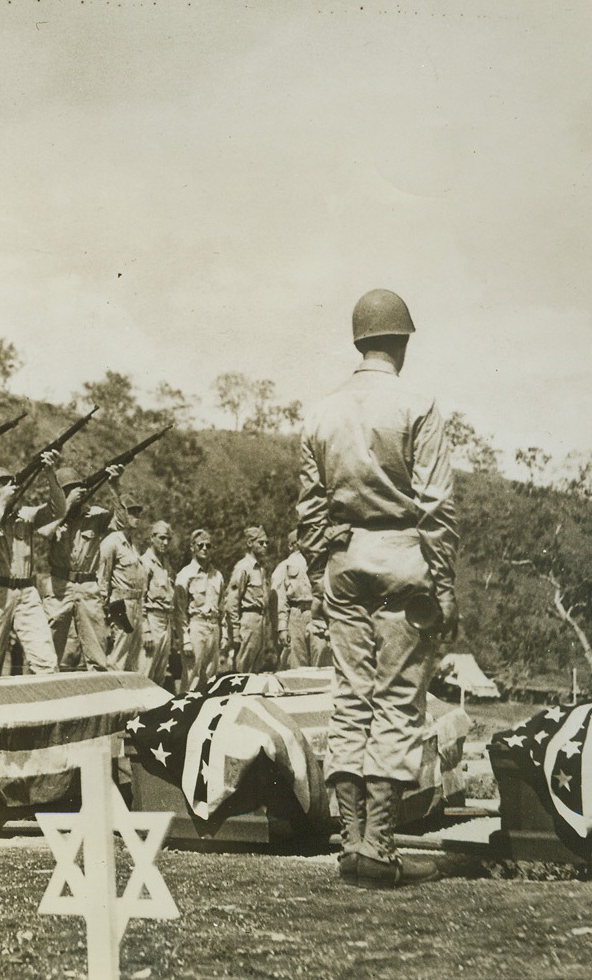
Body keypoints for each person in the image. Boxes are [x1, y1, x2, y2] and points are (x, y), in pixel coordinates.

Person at [297, 288, 459, 889]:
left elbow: (309, 504)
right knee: (396, 699)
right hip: (405, 555)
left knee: (350, 696)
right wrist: (444, 584)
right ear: (402, 341)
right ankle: (379, 846)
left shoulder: (321, 410)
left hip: (345, 557)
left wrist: (324, 562)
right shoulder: (419, 403)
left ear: (360, 340)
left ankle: (350, 841)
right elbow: (437, 506)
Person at [0, 455, 64, 677]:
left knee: (46, 660)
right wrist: (1, 504)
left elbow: (58, 510)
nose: (12, 487)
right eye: (4, 484)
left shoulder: (25, 515)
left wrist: (49, 473)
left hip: (27, 593)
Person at [41, 465, 123, 671]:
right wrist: (65, 506)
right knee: (47, 652)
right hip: (59, 586)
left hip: (88, 586)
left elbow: (123, 522)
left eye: (77, 488)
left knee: (97, 652)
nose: (75, 493)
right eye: (68, 490)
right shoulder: (49, 515)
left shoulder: (95, 515)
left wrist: (114, 486)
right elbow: (45, 533)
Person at [98, 495, 146, 672]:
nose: (136, 516)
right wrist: (103, 614)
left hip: (136, 604)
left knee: (133, 661)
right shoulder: (112, 542)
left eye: (138, 512)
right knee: (117, 657)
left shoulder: (133, 545)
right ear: (121, 514)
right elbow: (102, 578)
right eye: (131, 511)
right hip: (120, 604)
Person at [173, 529, 225, 693]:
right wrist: (185, 639)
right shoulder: (185, 575)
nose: (204, 548)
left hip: (213, 627)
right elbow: (179, 611)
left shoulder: (217, 576)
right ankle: (184, 714)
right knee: (191, 675)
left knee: (211, 677)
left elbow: (221, 607)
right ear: (192, 548)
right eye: (200, 545)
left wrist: (224, 634)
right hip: (196, 627)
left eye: (208, 545)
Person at [225, 526, 272, 673]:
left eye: (266, 543)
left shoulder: (261, 569)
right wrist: (236, 630)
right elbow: (231, 601)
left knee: (257, 667)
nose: (265, 546)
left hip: (261, 620)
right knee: (243, 665)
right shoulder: (243, 567)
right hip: (248, 619)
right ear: (250, 543)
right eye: (261, 543)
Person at [270, 529, 314, 669]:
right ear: (290, 545)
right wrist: (282, 628)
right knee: (297, 660)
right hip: (296, 613)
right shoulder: (284, 566)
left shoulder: (318, 560)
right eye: (297, 542)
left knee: (321, 655)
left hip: (316, 612)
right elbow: (280, 599)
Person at [140, 520, 177, 685]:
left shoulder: (165, 565)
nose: (166, 542)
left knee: (160, 675)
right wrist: (145, 629)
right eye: (162, 538)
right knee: (145, 672)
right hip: (152, 620)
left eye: (168, 538)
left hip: (166, 621)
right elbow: (139, 598)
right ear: (151, 538)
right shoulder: (144, 563)